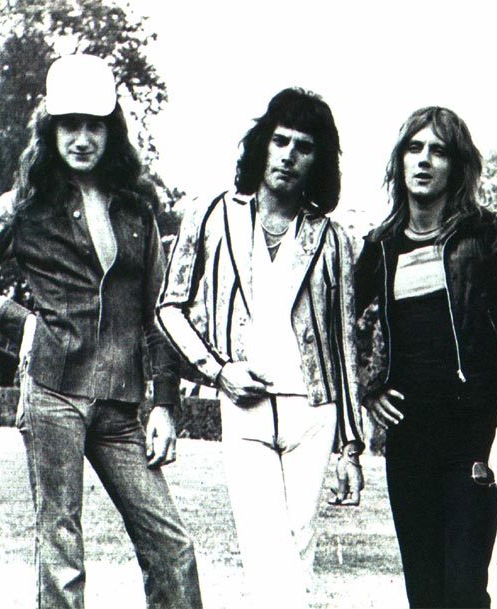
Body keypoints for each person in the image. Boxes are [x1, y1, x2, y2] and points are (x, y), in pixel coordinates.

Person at [0, 54, 203, 609]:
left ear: (112, 131)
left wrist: (165, 404)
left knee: (172, 547)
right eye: (69, 125)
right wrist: (22, 321)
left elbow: (159, 312)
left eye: (95, 126)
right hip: (52, 393)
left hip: (121, 406)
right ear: (50, 129)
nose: (82, 139)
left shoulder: (137, 210)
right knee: (62, 554)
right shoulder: (24, 207)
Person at [156, 87, 364, 609]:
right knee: (265, 549)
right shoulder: (210, 215)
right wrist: (217, 370)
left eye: (305, 148)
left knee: (297, 548)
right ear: (262, 145)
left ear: (319, 161)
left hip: (313, 412)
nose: (289, 156)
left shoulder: (333, 239)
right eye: (281, 141)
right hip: (243, 406)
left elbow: (344, 343)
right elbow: (168, 308)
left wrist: (350, 447)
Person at [354, 107, 497, 608]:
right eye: (414, 148)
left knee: (463, 589)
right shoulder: (381, 245)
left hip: (472, 431)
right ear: (400, 160)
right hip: (410, 436)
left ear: (457, 166)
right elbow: (343, 324)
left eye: (438, 151)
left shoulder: (484, 234)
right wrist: (369, 387)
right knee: (424, 590)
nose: (424, 160)